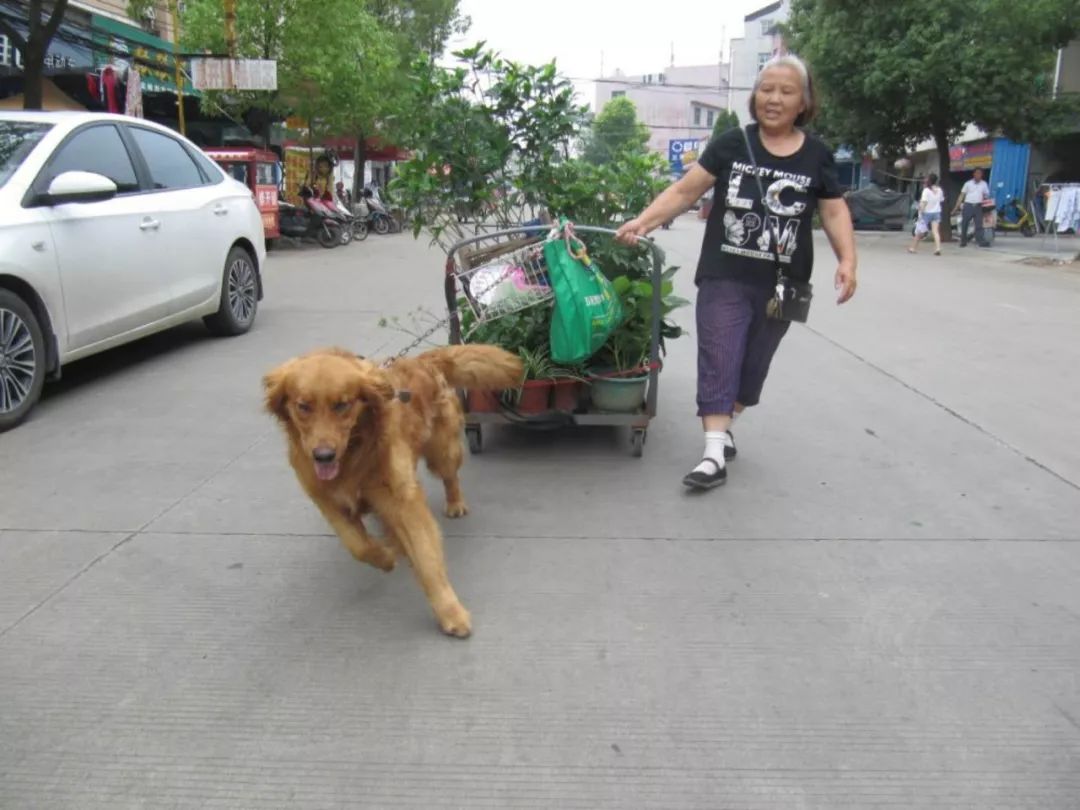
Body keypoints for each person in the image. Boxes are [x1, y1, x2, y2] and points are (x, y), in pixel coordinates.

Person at [615, 54, 857, 491]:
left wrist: (848, 260)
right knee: (720, 355)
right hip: (724, 273)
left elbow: (834, 209)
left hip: (784, 283)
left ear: (803, 102)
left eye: (785, 91)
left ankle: (725, 425)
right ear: (754, 95)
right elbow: (686, 189)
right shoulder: (731, 143)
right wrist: (644, 221)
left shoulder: (817, 154)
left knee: (752, 368)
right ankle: (711, 455)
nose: (774, 99)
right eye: (766, 89)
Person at [952, 167, 991, 247]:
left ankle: (980, 241)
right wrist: (956, 207)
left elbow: (986, 195)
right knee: (965, 223)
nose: (978, 175)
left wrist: (987, 204)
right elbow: (962, 195)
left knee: (979, 224)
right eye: (977, 173)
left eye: (980, 174)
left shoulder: (984, 184)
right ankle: (963, 241)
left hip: (978, 206)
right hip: (968, 205)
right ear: (974, 174)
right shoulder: (968, 184)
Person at [908, 173, 944, 255]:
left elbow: (923, 203)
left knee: (919, 231)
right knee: (935, 231)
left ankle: (913, 248)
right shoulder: (939, 190)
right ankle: (938, 248)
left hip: (926, 213)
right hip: (936, 212)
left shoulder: (926, 190)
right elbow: (941, 200)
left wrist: (920, 213)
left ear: (929, 180)